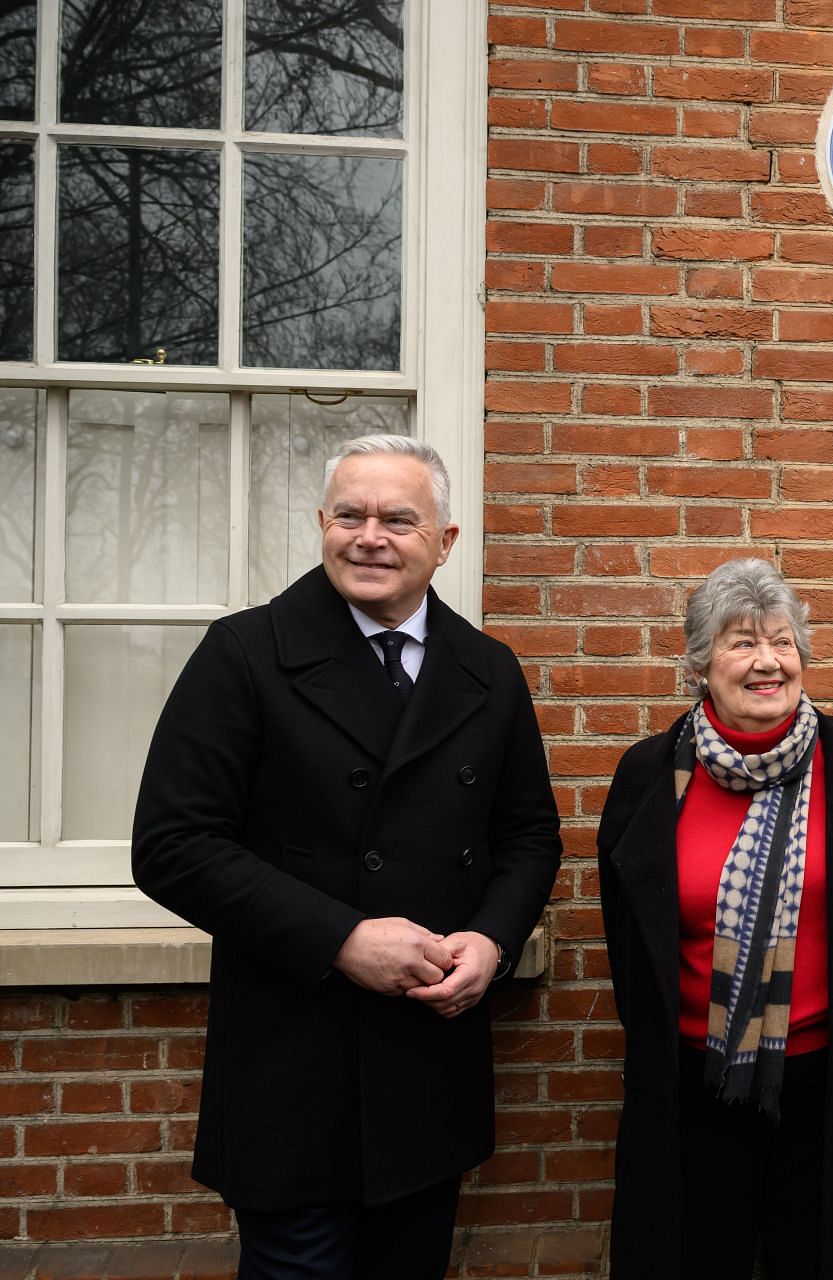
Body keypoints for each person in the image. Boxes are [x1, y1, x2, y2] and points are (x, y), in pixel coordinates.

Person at [131, 434, 562, 1279]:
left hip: (427, 1060)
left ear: (444, 543)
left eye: (398, 519)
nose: (371, 536)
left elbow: (529, 836)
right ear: (321, 525)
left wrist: (493, 941)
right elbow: (172, 846)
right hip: (293, 1063)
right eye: (350, 515)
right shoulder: (245, 654)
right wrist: (341, 938)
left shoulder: (489, 670)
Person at [595, 557, 833, 1279]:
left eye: (782, 642)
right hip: (693, 1086)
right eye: (742, 643)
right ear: (702, 664)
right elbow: (628, 931)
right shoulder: (648, 777)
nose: (767, 662)